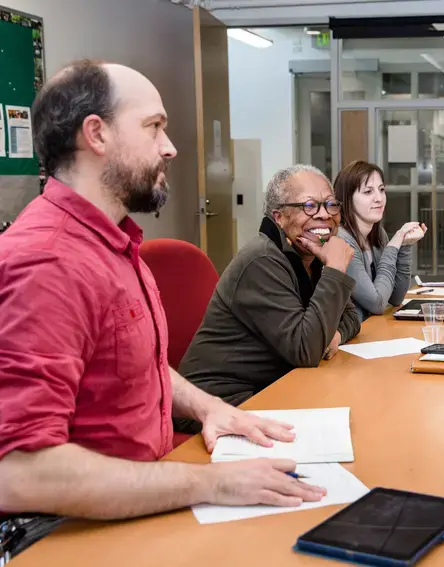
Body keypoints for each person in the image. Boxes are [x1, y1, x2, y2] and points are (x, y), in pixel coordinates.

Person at [0, 61, 325, 522]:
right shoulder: (47, 263)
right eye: (153, 127)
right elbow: (18, 473)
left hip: (147, 487)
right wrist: (212, 483)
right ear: (96, 135)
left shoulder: (112, 242)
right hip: (67, 528)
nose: (169, 148)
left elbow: (131, 361)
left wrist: (209, 406)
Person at [178, 164, 361, 431]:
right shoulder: (262, 260)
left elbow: (351, 317)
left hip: (275, 386)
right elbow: (306, 350)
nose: (325, 215)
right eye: (309, 205)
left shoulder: (312, 255)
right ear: (279, 217)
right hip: (222, 403)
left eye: (331, 204)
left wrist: (333, 336)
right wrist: (335, 269)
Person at [334, 161, 427, 320]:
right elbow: (377, 303)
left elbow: (396, 298)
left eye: (381, 190)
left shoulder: (377, 233)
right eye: (368, 191)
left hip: (370, 331)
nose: (379, 198)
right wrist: (392, 247)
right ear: (347, 198)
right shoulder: (341, 240)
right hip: (349, 340)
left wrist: (404, 246)